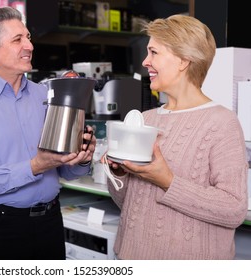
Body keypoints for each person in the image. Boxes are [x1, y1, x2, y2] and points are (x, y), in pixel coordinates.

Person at [0, 6, 96, 260]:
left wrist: (81, 159)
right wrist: (36, 165)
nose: (29, 46)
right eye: (18, 39)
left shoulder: (46, 94)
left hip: (49, 223)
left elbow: (65, 170)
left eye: (28, 37)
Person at [102, 14, 248, 260]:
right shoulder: (146, 119)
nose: (145, 62)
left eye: (154, 52)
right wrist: (119, 173)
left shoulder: (222, 123)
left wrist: (168, 180)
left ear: (183, 60)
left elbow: (234, 210)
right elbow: (130, 202)